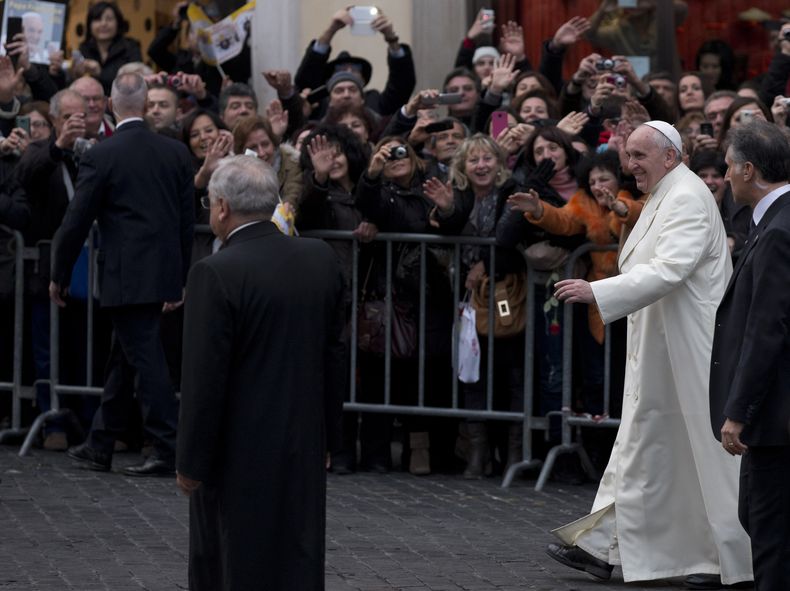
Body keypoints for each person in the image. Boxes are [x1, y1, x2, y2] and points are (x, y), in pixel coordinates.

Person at [546, 121, 752, 588]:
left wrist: (599, 291)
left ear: (670, 156)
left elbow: (670, 268)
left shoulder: (686, 197)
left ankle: (725, 559)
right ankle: (603, 548)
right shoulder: (668, 190)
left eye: (639, 156)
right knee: (643, 447)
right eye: (628, 155)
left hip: (689, 350)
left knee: (699, 453)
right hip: (660, 346)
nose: (629, 165)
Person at [176, 154, 344, 590]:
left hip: (237, 448)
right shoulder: (320, 258)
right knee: (298, 552)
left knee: (233, 556)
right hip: (303, 438)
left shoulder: (214, 272)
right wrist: (331, 435)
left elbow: (203, 378)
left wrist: (191, 460)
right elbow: (332, 352)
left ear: (222, 207)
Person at [49, 73, 194, 476]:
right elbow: (186, 222)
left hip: (125, 273)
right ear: (147, 104)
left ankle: (168, 446)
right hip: (161, 270)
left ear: (112, 104)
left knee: (146, 361)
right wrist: (180, 274)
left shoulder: (102, 154)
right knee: (125, 357)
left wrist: (58, 271)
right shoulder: (176, 153)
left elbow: (77, 218)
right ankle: (100, 443)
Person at [709, 120, 790, 591]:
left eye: (728, 165)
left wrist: (738, 412)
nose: (723, 175)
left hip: (777, 414)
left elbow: (766, 332)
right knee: (759, 516)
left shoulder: (778, 232)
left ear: (748, 168)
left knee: (770, 529)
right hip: (777, 413)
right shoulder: (773, 223)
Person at [75, 2, 142, 95]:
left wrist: (100, 73)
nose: (103, 24)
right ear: (89, 25)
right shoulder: (84, 48)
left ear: (118, 23)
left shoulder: (130, 47)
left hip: (122, 103)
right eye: (98, 19)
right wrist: (76, 74)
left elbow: (135, 83)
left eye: (109, 19)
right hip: (91, 103)